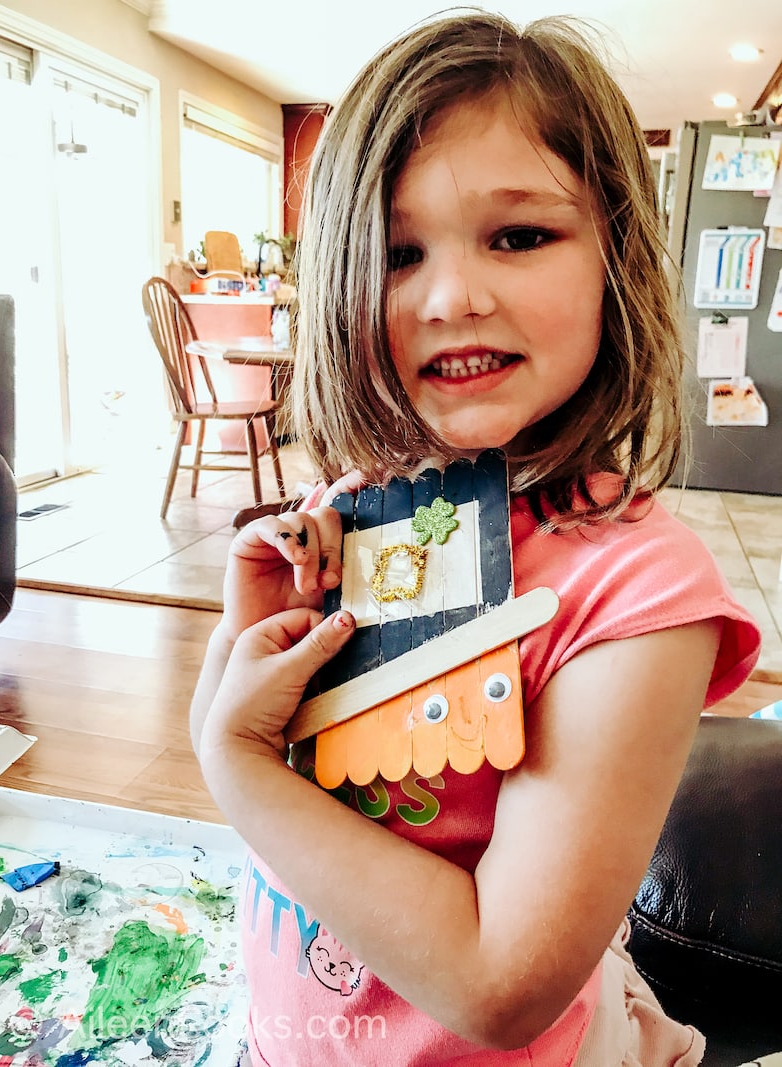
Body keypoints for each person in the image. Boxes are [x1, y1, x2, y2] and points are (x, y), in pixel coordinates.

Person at [190, 11, 761, 1065]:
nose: (454, 295)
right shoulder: (368, 499)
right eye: (398, 253)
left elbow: (497, 984)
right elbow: (289, 802)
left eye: (518, 235)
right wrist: (250, 643)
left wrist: (233, 761)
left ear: (614, 260)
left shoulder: (636, 595)